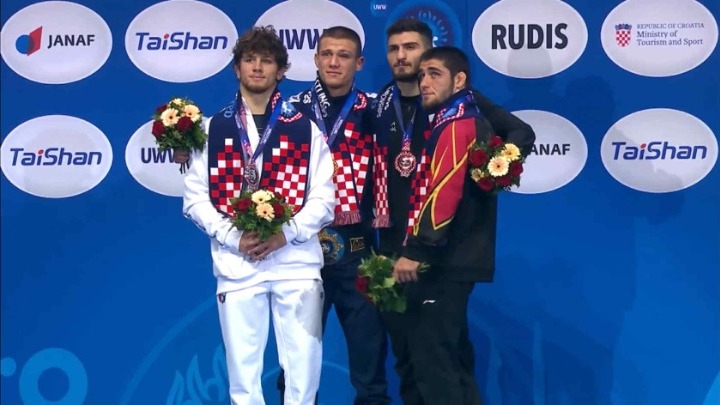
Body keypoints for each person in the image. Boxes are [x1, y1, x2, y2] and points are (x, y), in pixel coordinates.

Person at [372, 19, 535, 405]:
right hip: (400, 247)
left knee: (437, 363)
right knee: (423, 360)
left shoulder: (462, 111)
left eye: (413, 50)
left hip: (440, 252)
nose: (404, 58)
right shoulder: (379, 104)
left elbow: (518, 135)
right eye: (395, 49)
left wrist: (491, 170)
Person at [182, 25, 336, 405]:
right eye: (249, 59)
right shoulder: (212, 129)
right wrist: (234, 237)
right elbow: (195, 199)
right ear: (237, 68)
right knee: (243, 375)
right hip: (237, 265)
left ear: (280, 71)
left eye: (266, 61)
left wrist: (287, 233)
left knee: (303, 370)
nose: (257, 67)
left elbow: (324, 199)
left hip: (296, 263)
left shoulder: (306, 129)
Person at [277, 26, 392, 405]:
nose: (333, 62)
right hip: (300, 251)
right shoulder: (290, 110)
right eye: (326, 54)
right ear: (315, 58)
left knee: (369, 365)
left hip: (359, 252)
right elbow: (246, 147)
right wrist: (189, 151)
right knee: (295, 366)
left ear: (359, 63)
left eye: (343, 55)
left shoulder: (376, 109)